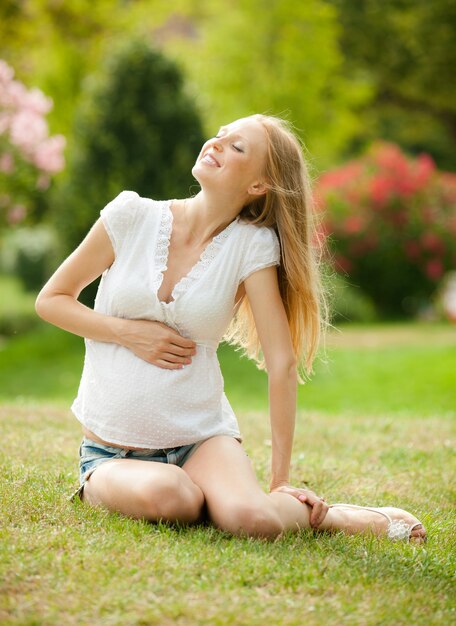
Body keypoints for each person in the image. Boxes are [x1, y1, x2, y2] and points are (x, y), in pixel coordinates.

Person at [35, 114, 426, 543]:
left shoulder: (251, 244)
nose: (216, 144)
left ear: (258, 185)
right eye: (220, 136)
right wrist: (126, 332)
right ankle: (197, 497)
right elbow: (51, 300)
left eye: (237, 147)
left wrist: (280, 481)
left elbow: (282, 363)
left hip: (201, 440)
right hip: (112, 451)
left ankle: (334, 517)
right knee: (173, 499)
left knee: (252, 521)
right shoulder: (130, 215)